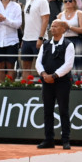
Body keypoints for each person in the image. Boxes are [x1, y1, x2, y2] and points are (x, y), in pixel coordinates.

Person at [35, 19, 74, 150]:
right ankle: (49, 139)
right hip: (47, 82)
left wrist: (55, 75)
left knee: (63, 110)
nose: (53, 28)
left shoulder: (69, 44)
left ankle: (65, 140)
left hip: (62, 82)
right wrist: (44, 74)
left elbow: (68, 64)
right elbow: (38, 62)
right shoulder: (45, 44)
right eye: (52, 26)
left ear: (63, 29)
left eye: (56, 26)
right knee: (47, 111)